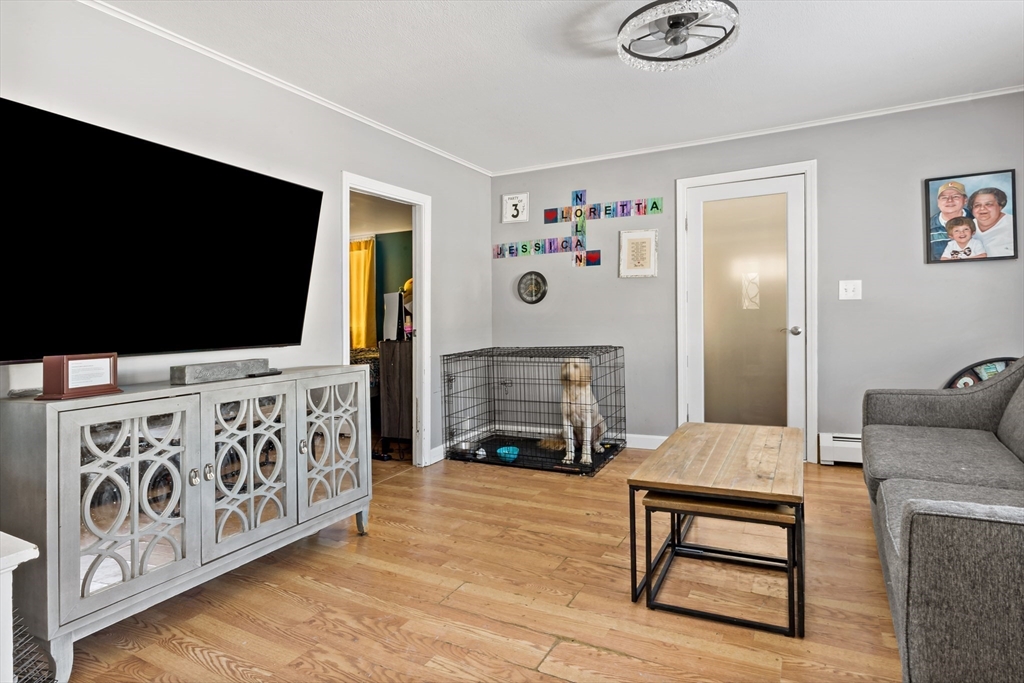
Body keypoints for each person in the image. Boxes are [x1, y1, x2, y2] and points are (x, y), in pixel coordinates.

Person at [928, 181, 973, 260]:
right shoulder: (927, 226)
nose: (949, 200)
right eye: (944, 197)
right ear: (938, 202)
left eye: (955, 196)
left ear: (965, 200)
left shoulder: (977, 221)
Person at [968, 187, 1016, 257]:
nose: (982, 208)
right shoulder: (966, 226)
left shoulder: (1015, 224)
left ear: (1000, 206)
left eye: (988, 204)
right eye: (977, 205)